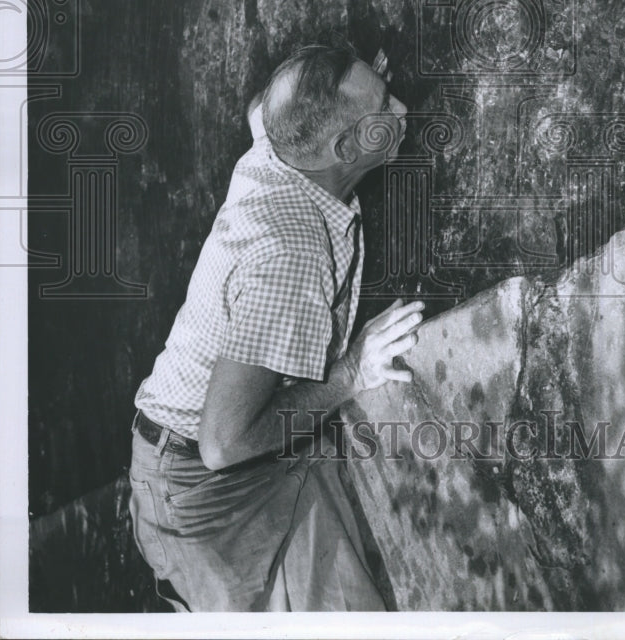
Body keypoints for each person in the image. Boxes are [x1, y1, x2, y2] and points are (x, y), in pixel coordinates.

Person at [129, 42, 424, 611]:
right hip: (202, 495)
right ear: (343, 147)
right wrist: (351, 374)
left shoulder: (275, 143)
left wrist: (353, 87)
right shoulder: (291, 256)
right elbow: (223, 443)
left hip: (238, 444)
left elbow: (262, 106)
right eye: (388, 109)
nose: (405, 111)